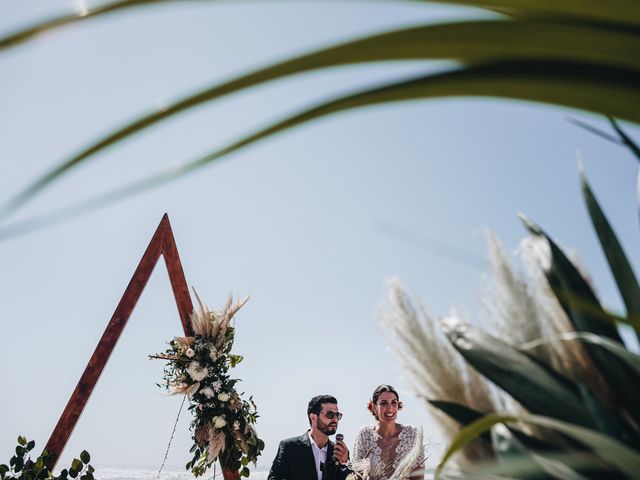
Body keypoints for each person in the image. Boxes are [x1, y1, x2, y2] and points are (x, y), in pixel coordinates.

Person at [268, 394, 352, 480]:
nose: (335, 419)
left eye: (338, 415)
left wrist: (344, 464)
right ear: (313, 417)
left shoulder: (340, 452)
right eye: (330, 414)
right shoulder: (290, 447)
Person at [352, 385, 424, 480]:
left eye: (393, 402)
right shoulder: (365, 435)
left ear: (398, 405)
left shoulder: (412, 434)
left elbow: (419, 477)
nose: (390, 408)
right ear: (374, 407)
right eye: (383, 403)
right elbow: (357, 477)